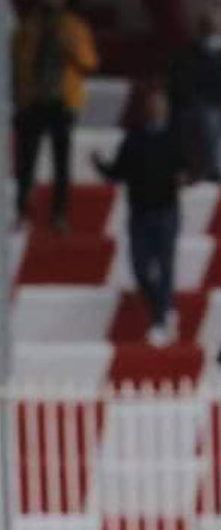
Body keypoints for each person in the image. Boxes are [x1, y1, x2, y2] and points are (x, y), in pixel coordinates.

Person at [92, 82, 186, 348]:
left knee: (165, 266)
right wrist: (99, 164)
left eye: (160, 103)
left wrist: (186, 176)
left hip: (166, 211)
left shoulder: (175, 137)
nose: (156, 108)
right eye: (153, 104)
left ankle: (161, 319)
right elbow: (117, 171)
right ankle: (162, 309)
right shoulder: (134, 138)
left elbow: (188, 166)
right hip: (140, 213)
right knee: (140, 267)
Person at [14, 0, 98, 232]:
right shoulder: (30, 26)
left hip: (62, 102)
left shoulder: (74, 27)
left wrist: (71, 46)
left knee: (61, 163)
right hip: (33, 100)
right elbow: (18, 60)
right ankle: (23, 212)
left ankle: (59, 214)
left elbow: (90, 62)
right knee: (26, 162)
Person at [169, 6, 221, 181]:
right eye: (207, 27)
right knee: (207, 118)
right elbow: (180, 84)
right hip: (197, 107)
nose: (211, 33)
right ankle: (211, 169)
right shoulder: (187, 55)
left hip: (216, 104)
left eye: (214, 28)